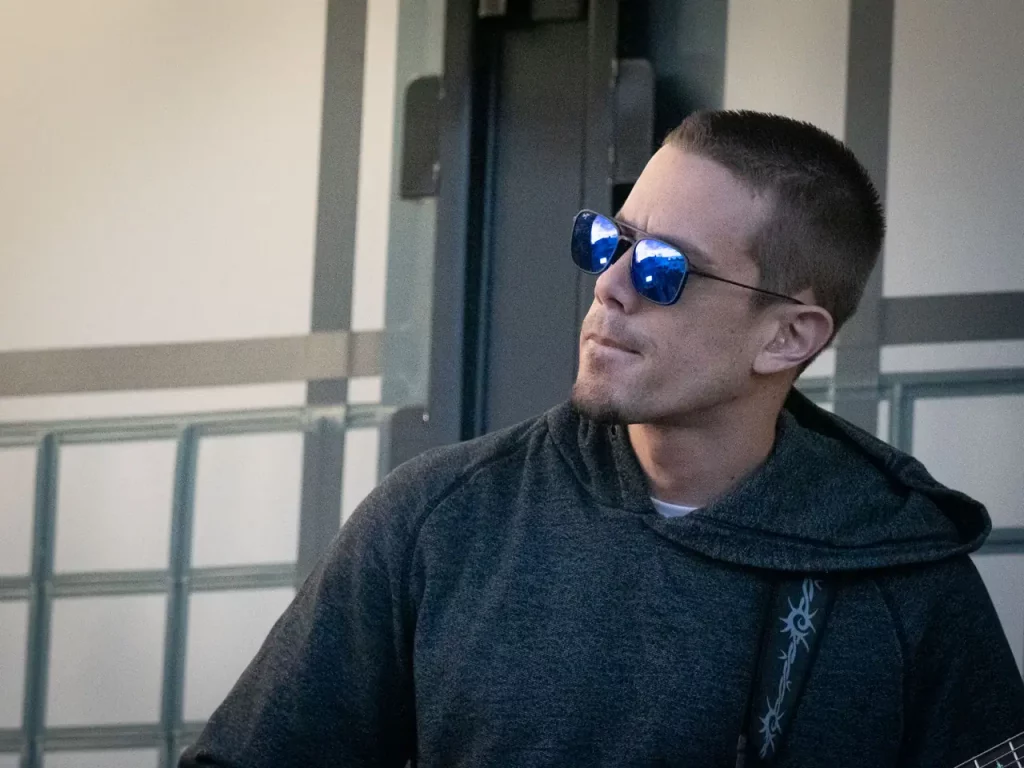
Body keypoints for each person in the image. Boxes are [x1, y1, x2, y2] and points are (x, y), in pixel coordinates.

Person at [180, 110, 1024, 767]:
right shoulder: (439, 523)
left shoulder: (900, 568)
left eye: (664, 268)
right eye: (608, 241)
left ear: (787, 337)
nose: (610, 285)